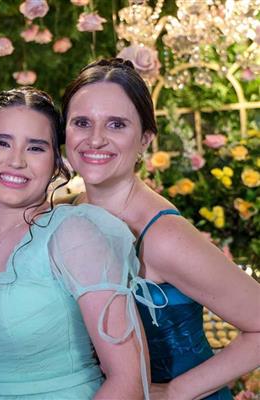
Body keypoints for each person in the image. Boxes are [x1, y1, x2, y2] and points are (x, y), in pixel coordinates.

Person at [62, 58, 260, 400]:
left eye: (116, 125)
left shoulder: (163, 236)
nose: (95, 139)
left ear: (145, 139)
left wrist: (174, 392)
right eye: (82, 122)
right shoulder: (70, 211)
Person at [0, 87, 157, 399]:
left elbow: (129, 379)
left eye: (35, 148)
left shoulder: (74, 234)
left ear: (56, 162)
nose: (16, 161)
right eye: (2, 142)